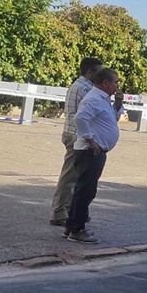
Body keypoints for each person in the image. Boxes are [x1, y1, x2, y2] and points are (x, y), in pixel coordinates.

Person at [64, 68, 124, 244]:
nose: (117, 86)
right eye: (115, 82)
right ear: (105, 83)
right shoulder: (93, 99)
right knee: (85, 191)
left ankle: (71, 225)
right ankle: (77, 229)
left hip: (96, 151)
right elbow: (80, 119)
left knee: (85, 190)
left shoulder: (104, 99)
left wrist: (118, 104)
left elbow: (112, 118)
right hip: (90, 151)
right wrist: (91, 141)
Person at [50, 57, 103, 226]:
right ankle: (60, 212)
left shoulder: (78, 85)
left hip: (72, 133)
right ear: (90, 72)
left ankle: (71, 211)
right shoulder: (87, 89)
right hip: (76, 135)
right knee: (70, 177)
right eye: (98, 72)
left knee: (77, 176)